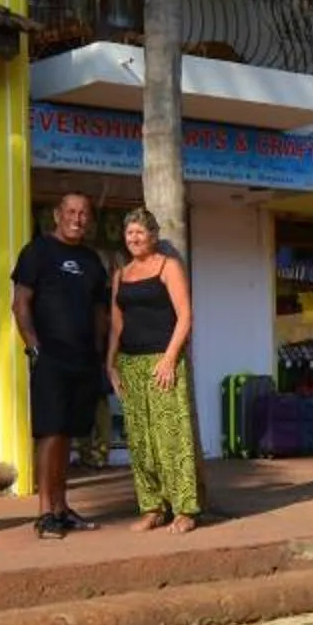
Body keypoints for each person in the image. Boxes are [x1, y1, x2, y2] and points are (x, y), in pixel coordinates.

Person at [10, 191, 109, 538]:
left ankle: (62, 509)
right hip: (50, 358)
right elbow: (20, 303)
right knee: (50, 433)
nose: (77, 218)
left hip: (83, 361)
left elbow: (100, 312)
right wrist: (34, 346)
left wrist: (99, 353)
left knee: (68, 434)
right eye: (70, 211)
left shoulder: (92, 260)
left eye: (83, 213)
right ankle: (44, 513)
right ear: (57, 214)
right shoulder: (37, 252)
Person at [108, 209, 201, 532]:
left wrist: (170, 358)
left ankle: (184, 510)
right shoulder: (121, 274)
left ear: (153, 236)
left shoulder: (168, 266)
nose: (134, 238)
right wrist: (111, 364)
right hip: (130, 363)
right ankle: (152, 507)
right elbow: (116, 323)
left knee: (171, 437)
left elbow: (185, 315)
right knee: (140, 440)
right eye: (129, 233)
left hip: (163, 361)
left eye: (140, 233)